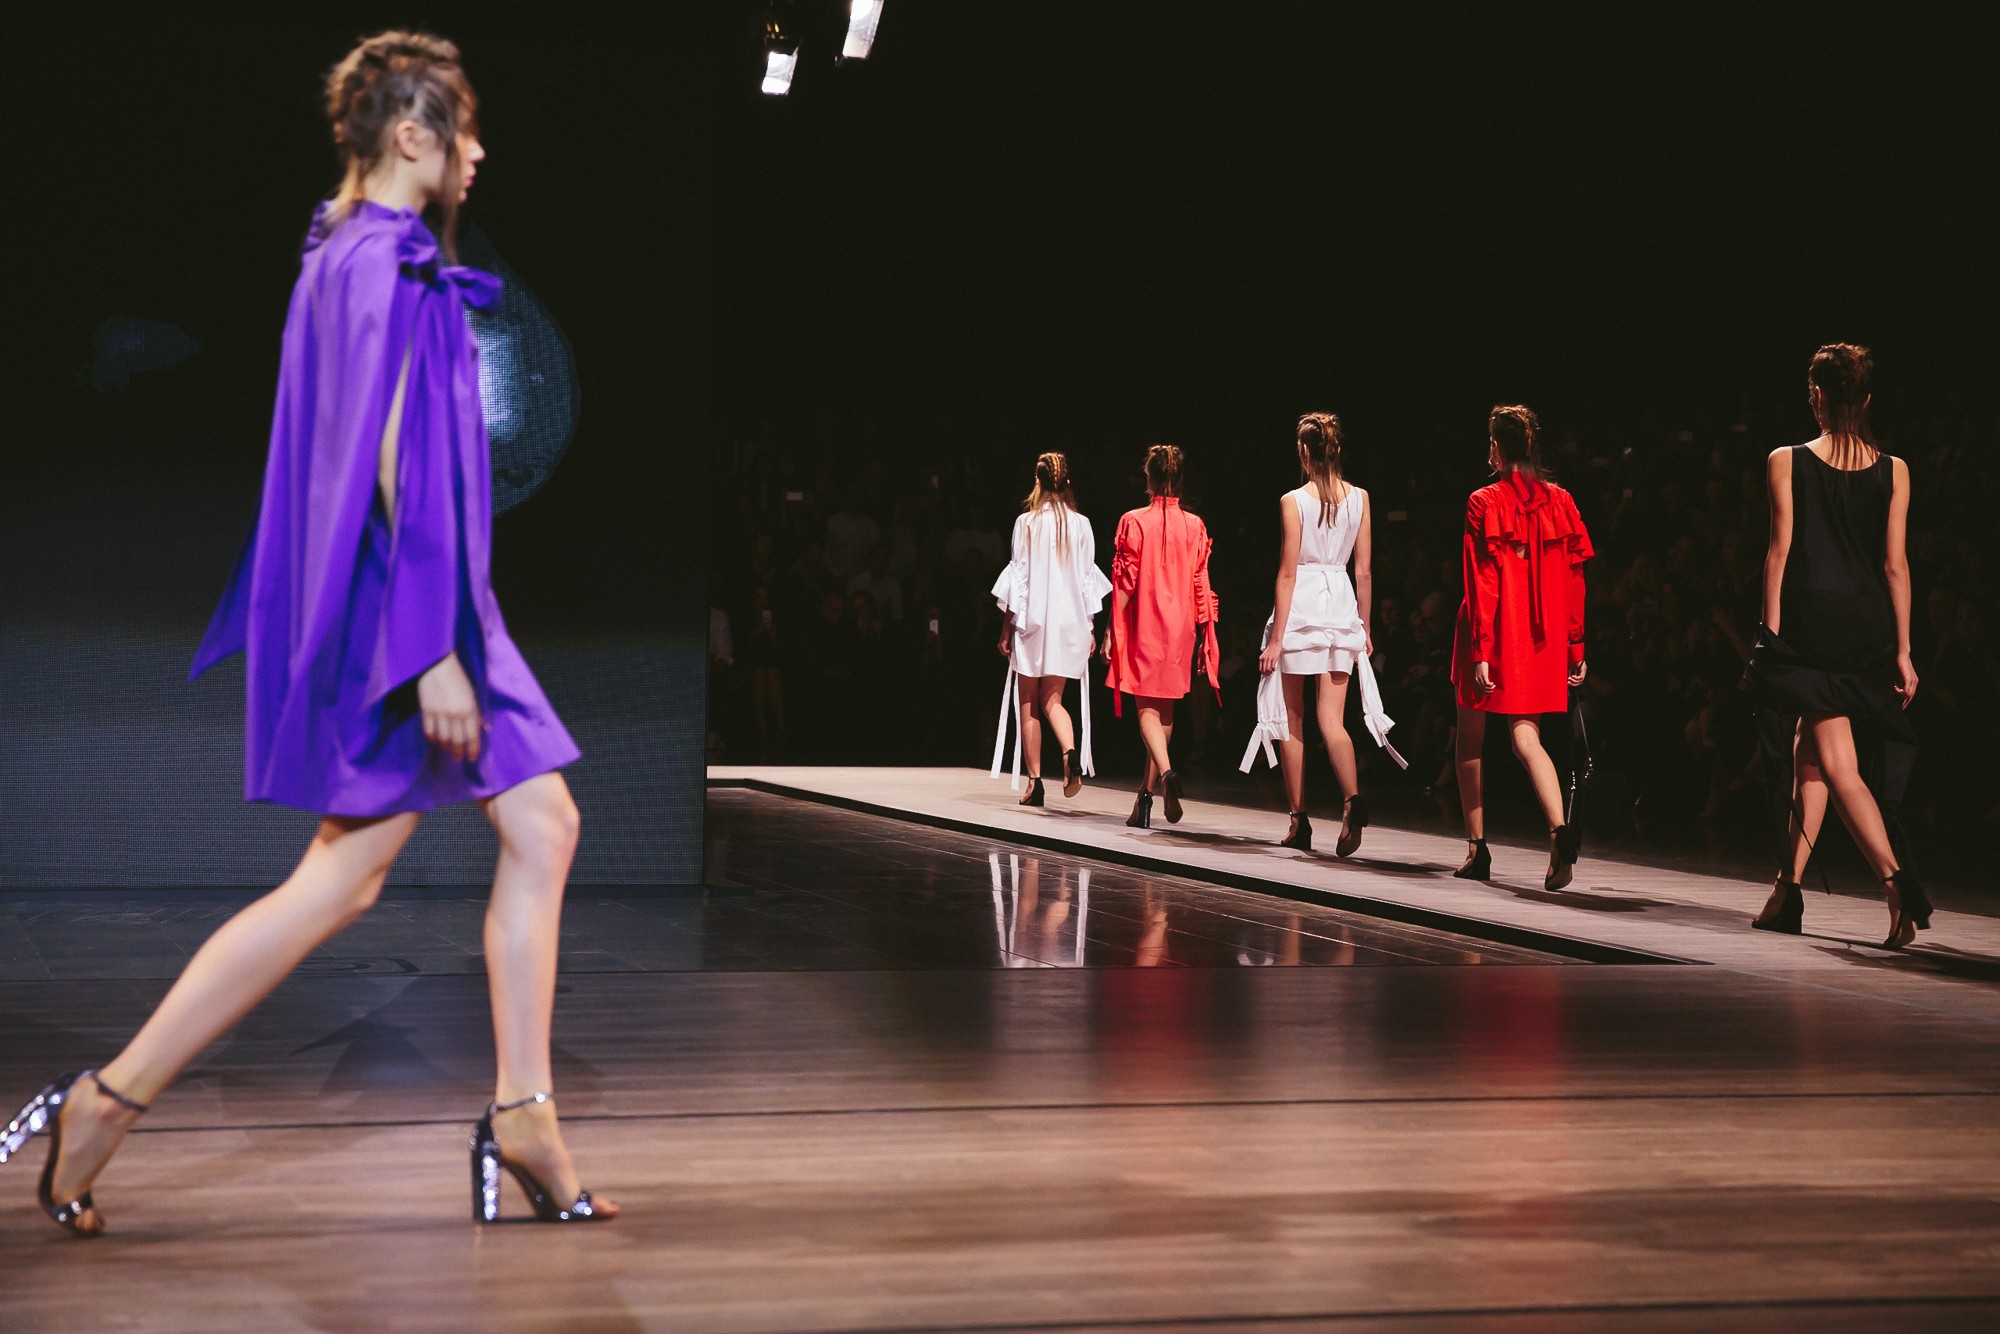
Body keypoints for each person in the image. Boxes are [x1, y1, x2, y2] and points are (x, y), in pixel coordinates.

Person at [0, 32, 616, 1236]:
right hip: (409, 611)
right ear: (412, 135)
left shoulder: (348, 254)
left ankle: (521, 1111)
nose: (479, 153)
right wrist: (433, 648)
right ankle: (110, 1096)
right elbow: (383, 459)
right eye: (465, 131)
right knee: (349, 875)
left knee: (512, 832)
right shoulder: (377, 262)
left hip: (423, 600)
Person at [1747, 343, 1929, 947]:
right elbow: (1895, 565)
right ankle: (1788, 888)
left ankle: (1897, 885)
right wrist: (1903, 649)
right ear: (1866, 399)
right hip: (1867, 624)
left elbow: (1779, 552)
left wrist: (1770, 636)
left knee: (1839, 764)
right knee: (1810, 754)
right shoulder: (1895, 469)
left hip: (1813, 626)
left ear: (1818, 396)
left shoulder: (1786, 460)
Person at [1241, 413, 1406, 853]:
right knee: (1332, 719)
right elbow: (1364, 571)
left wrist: (1277, 638)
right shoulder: (1361, 498)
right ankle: (1352, 800)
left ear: (1303, 451)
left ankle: (1299, 821)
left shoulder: (1293, 500)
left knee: (1292, 718)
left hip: (1302, 608)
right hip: (1341, 608)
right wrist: (1364, 627)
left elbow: (1287, 572)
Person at [1451, 405, 1594, 890]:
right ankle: (1558, 831)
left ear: (1496, 448)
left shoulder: (1483, 500)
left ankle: (1477, 848)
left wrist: (1481, 649)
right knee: (1526, 739)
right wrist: (1576, 643)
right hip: (1543, 635)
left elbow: (1483, 579)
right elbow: (1575, 579)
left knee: (1469, 740)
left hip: (1494, 629)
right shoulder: (1562, 500)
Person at [1104, 445, 1220, 827]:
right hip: (1181, 627)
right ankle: (1145, 798)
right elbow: (1201, 583)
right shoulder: (1196, 525)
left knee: (1147, 711)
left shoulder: (1134, 521)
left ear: (1149, 478)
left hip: (1147, 624)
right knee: (1165, 712)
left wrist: (1111, 629)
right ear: (1180, 480)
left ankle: (1168, 773)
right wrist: (1206, 634)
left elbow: (1126, 581)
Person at [991, 453, 1113, 803]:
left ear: (1038, 481)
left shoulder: (1026, 522)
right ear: (1066, 481)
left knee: (1029, 702)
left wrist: (1006, 629)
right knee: (1053, 700)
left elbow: (1018, 579)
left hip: (1033, 622)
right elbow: (1087, 582)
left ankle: (1035, 782)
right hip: (1069, 623)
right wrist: (1090, 628)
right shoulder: (1082, 524)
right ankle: (1069, 753)